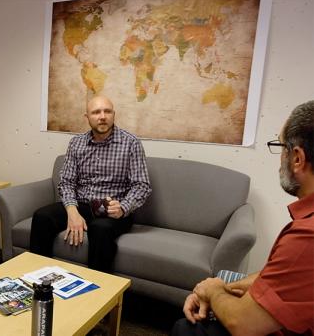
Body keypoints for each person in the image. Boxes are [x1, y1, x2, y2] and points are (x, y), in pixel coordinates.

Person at [171, 100, 314, 336]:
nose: (280, 159)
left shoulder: (306, 237)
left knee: (187, 329)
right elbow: (278, 278)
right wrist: (223, 288)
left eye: (281, 147)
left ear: (297, 158)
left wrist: (213, 289)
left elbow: (243, 326)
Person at [29, 95, 152, 272]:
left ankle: (98, 291)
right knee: (42, 217)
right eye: (96, 112)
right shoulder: (77, 143)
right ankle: (38, 277)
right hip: (81, 205)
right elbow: (66, 182)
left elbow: (142, 185)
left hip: (113, 210)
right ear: (87, 117)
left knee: (99, 229)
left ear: (114, 115)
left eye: (107, 111)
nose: (102, 116)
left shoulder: (131, 143)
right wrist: (72, 211)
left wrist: (123, 208)